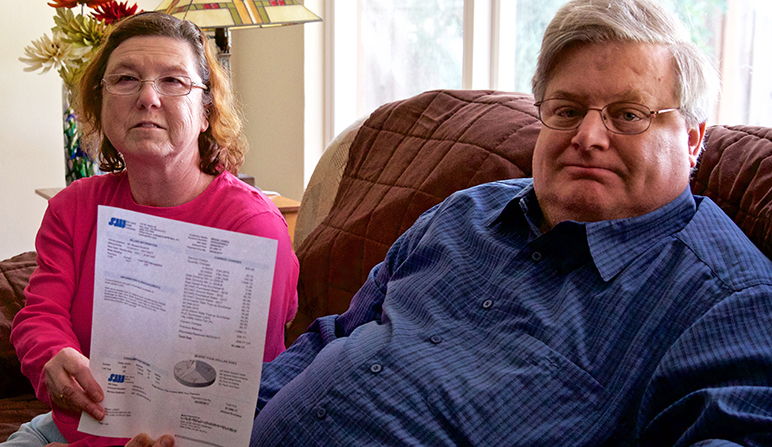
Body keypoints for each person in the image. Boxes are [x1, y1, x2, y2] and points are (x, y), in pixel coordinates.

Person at [130, 0, 772, 445]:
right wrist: (212, 427)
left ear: (692, 138)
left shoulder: (730, 299)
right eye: (567, 109)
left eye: (628, 115)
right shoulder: (466, 213)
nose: (589, 137)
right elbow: (335, 336)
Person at [5, 12, 299, 447]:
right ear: (100, 104)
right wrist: (51, 357)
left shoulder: (253, 226)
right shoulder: (73, 207)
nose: (147, 97)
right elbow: (39, 315)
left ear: (205, 111)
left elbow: (256, 382)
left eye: (173, 81)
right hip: (68, 430)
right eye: (125, 79)